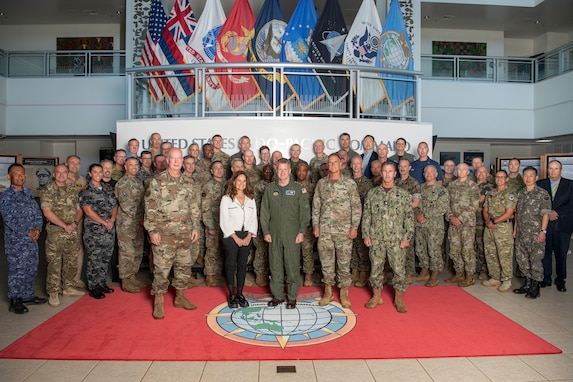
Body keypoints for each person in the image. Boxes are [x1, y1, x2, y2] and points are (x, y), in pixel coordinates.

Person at [144, 148, 200, 319]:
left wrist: (195, 227)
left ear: (182, 161)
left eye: (179, 158)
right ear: (167, 160)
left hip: (184, 234)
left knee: (183, 267)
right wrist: (152, 230)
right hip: (164, 234)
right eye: (173, 158)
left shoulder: (188, 182)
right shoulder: (157, 182)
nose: (176, 162)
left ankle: (180, 297)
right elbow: (149, 208)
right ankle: (159, 300)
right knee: (161, 269)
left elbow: (194, 207)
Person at [362, 162, 414, 312]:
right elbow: (367, 216)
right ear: (381, 173)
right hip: (376, 238)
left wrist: (407, 237)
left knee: (399, 270)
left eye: (390, 171)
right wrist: (366, 234)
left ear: (395, 173)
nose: (387, 174)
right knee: (376, 268)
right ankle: (377, 296)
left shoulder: (403, 195)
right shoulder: (372, 194)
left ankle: (399, 299)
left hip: (396, 239)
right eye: (384, 171)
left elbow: (409, 218)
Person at [313, 153, 362, 308]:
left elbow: (356, 206)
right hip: (325, 230)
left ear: (341, 164)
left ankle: (344, 293)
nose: (332, 165)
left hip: (344, 231)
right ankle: (328, 292)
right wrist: (316, 225)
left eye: (335, 162)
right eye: (330, 163)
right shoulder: (321, 184)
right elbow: (316, 206)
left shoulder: (349, 184)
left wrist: (354, 227)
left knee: (344, 263)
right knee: (326, 263)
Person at [261, 159, 310, 309]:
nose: (282, 172)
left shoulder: (298, 189)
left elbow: (305, 212)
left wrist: (302, 231)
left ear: (290, 171)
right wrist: (266, 231)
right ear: (277, 171)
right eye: (279, 169)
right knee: (275, 265)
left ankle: (292, 297)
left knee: (292, 265)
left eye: (285, 169)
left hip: (292, 234)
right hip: (274, 234)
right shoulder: (270, 189)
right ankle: (277, 296)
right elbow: (264, 212)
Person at [0, 164, 46, 314]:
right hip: (17, 241)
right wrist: (28, 231)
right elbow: (9, 219)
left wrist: (38, 228)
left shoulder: (28, 193)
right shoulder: (6, 196)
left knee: (31, 268)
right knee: (17, 270)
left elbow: (37, 212)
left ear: (25, 176)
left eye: (22, 174)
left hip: (32, 240)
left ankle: (27, 295)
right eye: (16, 174)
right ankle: (15, 300)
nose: (20, 177)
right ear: (9, 177)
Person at [40, 164, 85, 307]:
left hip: (72, 230)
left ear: (67, 174)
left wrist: (74, 223)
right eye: (58, 172)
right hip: (56, 232)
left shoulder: (72, 189)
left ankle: (68, 287)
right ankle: (53, 292)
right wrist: (64, 225)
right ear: (54, 174)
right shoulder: (47, 189)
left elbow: (79, 210)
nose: (61, 175)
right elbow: (47, 212)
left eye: (64, 172)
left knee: (71, 261)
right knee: (54, 262)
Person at [79, 163, 118, 299]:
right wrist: (104, 222)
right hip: (94, 231)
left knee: (105, 258)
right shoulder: (86, 190)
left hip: (108, 230)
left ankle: (101, 283)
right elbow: (88, 211)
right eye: (95, 172)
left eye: (100, 172)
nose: (98, 174)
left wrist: (112, 220)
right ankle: (93, 287)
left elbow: (114, 205)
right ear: (90, 174)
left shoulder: (107, 188)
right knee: (93, 259)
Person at [220, 171, 258, 308]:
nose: (241, 183)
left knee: (242, 265)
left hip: (246, 236)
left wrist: (249, 236)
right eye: (239, 180)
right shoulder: (226, 199)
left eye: (244, 181)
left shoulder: (250, 198)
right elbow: (224, 220)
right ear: (234, 182)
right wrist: (235, 237)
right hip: (231, 236)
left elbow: (254, 219)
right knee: (231, 265)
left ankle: (240, 294)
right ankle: (231, 294)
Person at [513, 166, 551, 298]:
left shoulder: (542, 193)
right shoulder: (521, 193)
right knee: (522, 259)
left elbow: (546, 214)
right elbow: (518, 214)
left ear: (536, 178)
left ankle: (535, 286)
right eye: (526, 175)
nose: (528, 178)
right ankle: (527, 284)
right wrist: (515, 230)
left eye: (531, 176)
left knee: (535, 260)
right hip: (521, 233)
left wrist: (543, 231)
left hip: (535, 233)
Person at [537, 159, 573, 292]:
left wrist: (557, 212)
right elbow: (537, 203)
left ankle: (560, 280)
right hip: (545, 224)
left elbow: (571, 205)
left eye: (556, 169)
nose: (553, 171)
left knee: (561, 253)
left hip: (562, 224)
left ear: (561, 170)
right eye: (551, 169)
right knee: (545, 252)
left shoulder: (570, 185)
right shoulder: (540, 184)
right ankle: (546, 278)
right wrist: (548, 213)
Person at [444, 163, 480, 287]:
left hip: (467, 224)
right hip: (453, 223)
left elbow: (474, 206)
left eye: (463, 169)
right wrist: (450, 217)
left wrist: (459, 218)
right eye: (459, 169)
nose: (460, 171)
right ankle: (459, 273)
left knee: (467, 250)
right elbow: (446, 204)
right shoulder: (451, 185)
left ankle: (469, 276)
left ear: (468, 172)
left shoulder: (472, 186)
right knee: (454, 250)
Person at [414, 165, 450, 287]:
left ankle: (434, 275)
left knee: (433, 250)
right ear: (423, 174)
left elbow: (442, 208)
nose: (428, 174)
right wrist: (417, 214)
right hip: (419, 224)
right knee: (420, 249)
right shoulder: (419, 188)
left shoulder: (441, 190)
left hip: (434, 226)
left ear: (436, 174)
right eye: (426, 172)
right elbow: (414, 204)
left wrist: (425, 215)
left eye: (431, 172)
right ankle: (424, 272)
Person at [115, 157, 146, 293]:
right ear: (125, 167)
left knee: (137, 251)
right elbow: (126, 206)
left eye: (136, 165)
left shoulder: (138, 183)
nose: (134, 167)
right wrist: (141, 218)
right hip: (127, 225)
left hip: (138, 225)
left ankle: (133, 276)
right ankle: (126, 280)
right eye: (130, 165)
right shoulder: (123, 184)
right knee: (127, 253)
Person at [482, 170, 517, 292]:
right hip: (489, 227)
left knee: (504, 254)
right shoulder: (491, 193)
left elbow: (509, 213)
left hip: (503, 227)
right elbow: (485, 210)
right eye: (497, 177)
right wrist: (488, 222)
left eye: (502, 177)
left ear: (506, 179)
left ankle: (507, 280)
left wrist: (495, 221)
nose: (499, 179)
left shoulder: (510, 193)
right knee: (490, 252)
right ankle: (495, 277)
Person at [395, 158, 421, 284]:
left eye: (405, 166)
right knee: (397, 247)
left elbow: (415, 202)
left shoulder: (414, 183)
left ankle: (410, 273)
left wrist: (400, 208)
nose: (402, 168)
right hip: (395, 221)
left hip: (408, 220)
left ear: (409, 167)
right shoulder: (395, 183)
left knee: (408, 248)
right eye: (400, 166)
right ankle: (399, 272)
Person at [201, 160, 226, 287]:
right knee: (212, 249)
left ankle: (218, 273)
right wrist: (209, 226)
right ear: (211, 171)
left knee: (222, 250)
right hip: (213, 223)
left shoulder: (228, 185)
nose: (219, 170)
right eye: (216, 168)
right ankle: (210, 275)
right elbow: (204, 208)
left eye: (221, 167)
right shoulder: (208, 186)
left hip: (226, 224)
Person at [349, 156, 373, 287]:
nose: (357, 166)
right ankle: (354, 271)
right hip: (348, 219)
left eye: (359, 164)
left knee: (362, 248)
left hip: (362, 219)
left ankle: (363, 273)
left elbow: (368, 204)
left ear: (362, 165)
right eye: (354, 164)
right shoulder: (347, 182)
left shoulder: (367, 183)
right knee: (351, 247)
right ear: (351, 165)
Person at [65, 154, 87, 290]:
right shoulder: (61, 178)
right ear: (66, 164)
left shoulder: (82, 180)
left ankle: (76, 279)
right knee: (65, 250)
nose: (75, 165)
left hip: (79, 220)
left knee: (79, 249)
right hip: (64, 221)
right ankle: (65, 282)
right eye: (72, 163)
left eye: (77, 163)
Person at [295, 163, 316, 286]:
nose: (302, 173)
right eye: (299, 170)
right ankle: (293, 275)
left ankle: (308, 275)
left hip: (307, 225)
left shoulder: (312, 187)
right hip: (293, 225)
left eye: (304, 170)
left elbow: (316, 206)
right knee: (293, 251)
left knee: (307, 251)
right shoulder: (291, 186)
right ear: (296, 172)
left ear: (307, 172)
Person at [253, 164, 274, 286]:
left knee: (273, 250)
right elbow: (255, 205)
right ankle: (260, 274)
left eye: (270, 171)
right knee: (261, 249)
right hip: (261, 221)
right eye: (266, 171)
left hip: (275, 222)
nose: (268, 173)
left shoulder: (276, 185)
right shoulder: (258, 186)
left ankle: (273, 274)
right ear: (262, 173)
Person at [474, 166, 494, 280]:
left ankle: (484, 270)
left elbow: (481, 199)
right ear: (476, 174)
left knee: (482, 246)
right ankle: (473, 268)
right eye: (479, 172)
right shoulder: (471, 186)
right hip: (470, 221)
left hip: (482, 221)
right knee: (472, 246)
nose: (481, 174)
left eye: (483, 172)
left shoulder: (489, 187)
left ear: (487, 174)